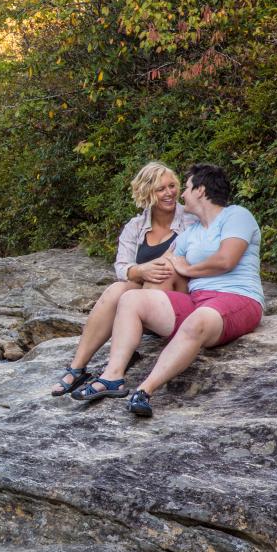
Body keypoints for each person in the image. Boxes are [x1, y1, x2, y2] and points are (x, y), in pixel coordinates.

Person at [71, 163, 264, 416]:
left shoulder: (237, 215)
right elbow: (166, 262)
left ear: (200, 190)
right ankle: (112, 376)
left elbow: (226, 260)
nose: (181, 194)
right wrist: (145, 273)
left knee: (198, 320)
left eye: (184, 187)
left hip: (237, 297)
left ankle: (145, 390)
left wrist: (186, 268)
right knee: (131, 299)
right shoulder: (191, 232)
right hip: (197, 299)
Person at [52, 161, 196, 396]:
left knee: (164, 269)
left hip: (177, 302)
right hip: (141, 301)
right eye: (161, 189)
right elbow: (122, 266)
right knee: (117, 289)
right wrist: (140, 271)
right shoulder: (136, 226)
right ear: (146, 193)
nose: (169, 193)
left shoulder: (191, 220)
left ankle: (117, 367)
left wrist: (157, 268)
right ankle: (77, 368)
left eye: (173, 186)